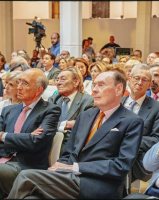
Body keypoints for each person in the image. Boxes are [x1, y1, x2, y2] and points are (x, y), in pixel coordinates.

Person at [8, 70, 144, 199]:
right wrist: (56, 169)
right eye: (94, 85)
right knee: (31, 197)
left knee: (26, 176)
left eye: (101, 85)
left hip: (99, 184)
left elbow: (121, 166)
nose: (94, 89)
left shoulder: (132, 121)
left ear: (119, 89)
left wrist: (75, 167)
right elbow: (68, 153)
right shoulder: (85, 116)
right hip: (70, 177)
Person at [0, 68, 61, 199]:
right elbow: (28, 139)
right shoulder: (8, 110)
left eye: (25, 83)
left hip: (27, 166)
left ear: (39, 90)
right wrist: (25, 137)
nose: (19, 87)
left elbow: (35, 142)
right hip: (3, 161)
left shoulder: (50, 111)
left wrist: (3, 136)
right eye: (19, 82)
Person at [122, 64, 159, 182]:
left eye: (144, 80)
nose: (139, 82)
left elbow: (158, 139)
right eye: (136, 78)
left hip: (137, 158)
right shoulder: (117, 103)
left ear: (149, 85)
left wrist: (126, 139)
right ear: (129, 80)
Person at [48, 66, 94, 151]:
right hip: (50, 144)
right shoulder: (53, 99)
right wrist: (66, 125)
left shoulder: (87, 101)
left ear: (76, 82)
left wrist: (56, 127)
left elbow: (84, 129)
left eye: (63, 79)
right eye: (57, 80)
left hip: (74, 148)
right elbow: (45, 125)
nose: (58, 83)